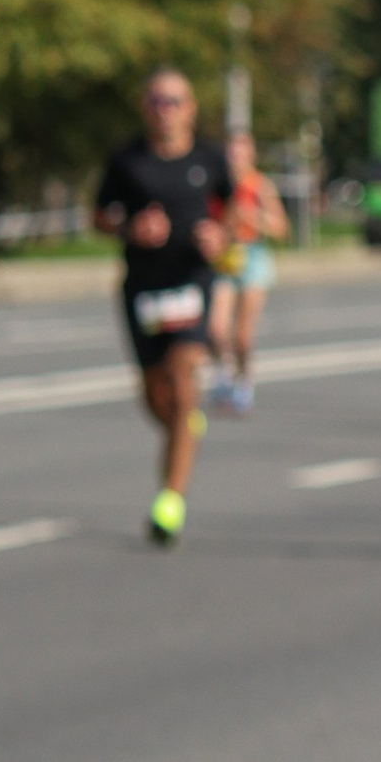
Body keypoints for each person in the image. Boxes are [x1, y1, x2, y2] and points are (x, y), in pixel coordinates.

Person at [96, 68, 231, 546]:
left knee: (181, 374)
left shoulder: (210, 158)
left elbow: (235, 210)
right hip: (143, 288)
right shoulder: (127, 160)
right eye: (157, 101)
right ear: (145, 107)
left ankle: (170, 500)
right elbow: (100, 215)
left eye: (175, 101)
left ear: (191, 108)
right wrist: (129, 229)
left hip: (191, 281)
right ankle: (183, 426)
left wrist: (222, 236)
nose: (165, 110)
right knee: (156, 396)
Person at [207, 129, 289, 412]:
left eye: (242, 152)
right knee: (216, 328)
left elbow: (281, 228)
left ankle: (244, 381)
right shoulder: (217, 182)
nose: (236, 158)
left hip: (252, 257)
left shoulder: (259, 185)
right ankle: (224, 374)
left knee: (242, 335)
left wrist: (253, 217)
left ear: (251, 155)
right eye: (231, 152)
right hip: (225, 256)